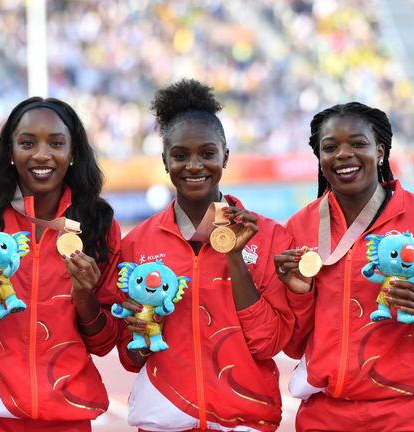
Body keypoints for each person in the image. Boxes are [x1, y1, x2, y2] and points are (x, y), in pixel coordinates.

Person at [275, 102, 414, 431]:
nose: (343, 154)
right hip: (326, 416)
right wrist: (298, 295)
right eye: (330, 147)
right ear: (319, 157)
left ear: (380, 151)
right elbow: (291, 343)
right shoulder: (299, 228)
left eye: (358, 144)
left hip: (410, 414)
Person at [0, 96, 123, 431]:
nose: (41, 154)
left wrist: (85, 298)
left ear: (73, 152)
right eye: (27, 143)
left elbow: (104, 342)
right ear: (9, 151)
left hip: (66, 412)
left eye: (56, 143)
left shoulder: (98, 223)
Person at [116, 79, 295, 431]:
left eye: (207, 154)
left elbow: (268, 343)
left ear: (225, 156)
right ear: (165, 160)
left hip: (244, 422)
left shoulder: (270, 236)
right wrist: (142, 333)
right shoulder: (138, 243)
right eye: (180, 155)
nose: (193, 166)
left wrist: (235, 257)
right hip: (165, 419)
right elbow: (130, 356)